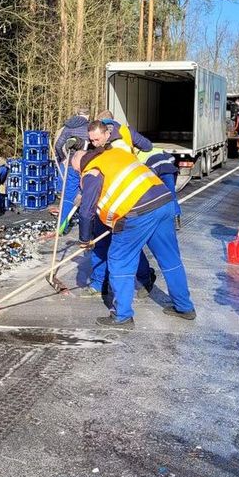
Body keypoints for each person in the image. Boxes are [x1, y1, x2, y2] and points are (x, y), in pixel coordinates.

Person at [73, 145, 194, 328]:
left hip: (136, 212)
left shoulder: (91, 171)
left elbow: (86, 211)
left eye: (76, 171)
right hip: (163, 201)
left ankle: (122, 316)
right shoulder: (115, 153)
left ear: (80, 166)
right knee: (170, 258)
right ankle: (185, 307)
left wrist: (84, 239)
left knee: (119, 260)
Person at [52, 106, 91, 231]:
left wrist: (63, 158)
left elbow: (58, 145)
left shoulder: (68, 126)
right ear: (88, 116)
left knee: (68, 196)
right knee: (89, 194)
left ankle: (62, 226)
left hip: (71, 164)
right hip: (86, 165)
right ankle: (88, 226)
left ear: (77, 113)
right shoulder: (89, 127)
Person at [137, 147, 182, 225]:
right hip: (169, 171)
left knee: (155, 197)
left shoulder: (139, 156)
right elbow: (172, 158)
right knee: (172, 196)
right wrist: (166, 164)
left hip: (156, 173)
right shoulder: (157, 149)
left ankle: (155, 219)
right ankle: (176, 220)